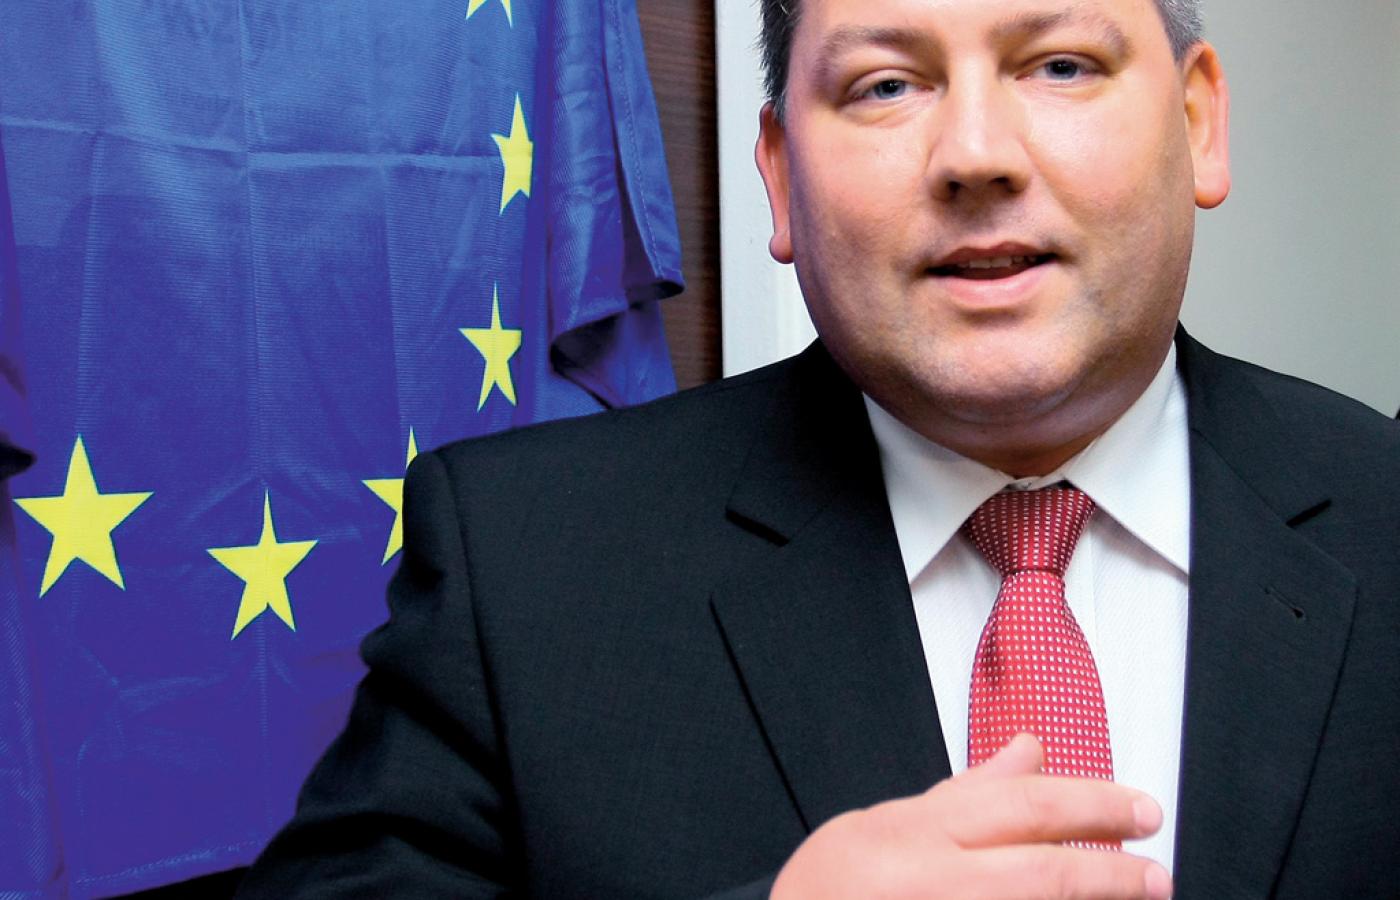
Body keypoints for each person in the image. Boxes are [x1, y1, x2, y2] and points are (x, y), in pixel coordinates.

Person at [237, 0, 1400, 897]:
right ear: (781, 175)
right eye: (884, 84)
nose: (975, 154)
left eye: (1057, 66)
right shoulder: (521, 565)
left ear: (1196, 123)